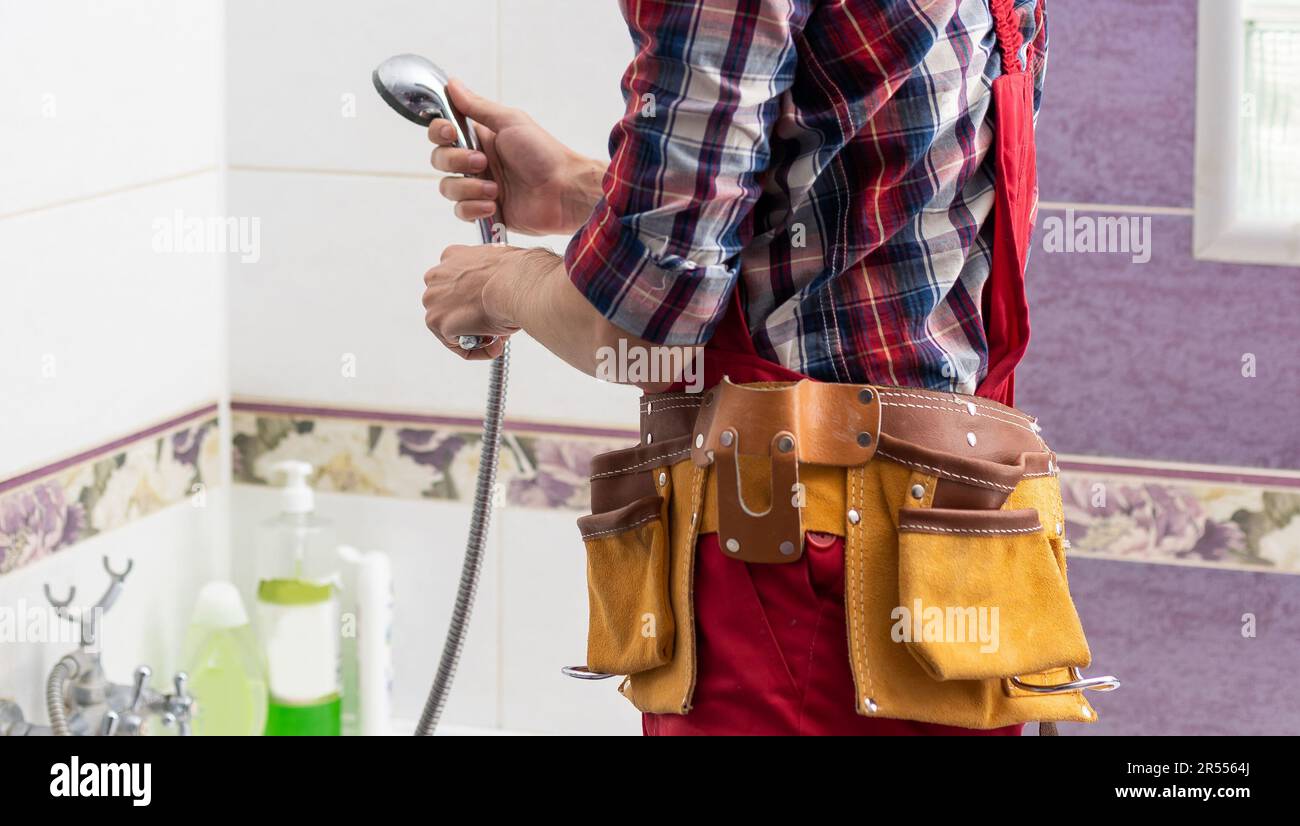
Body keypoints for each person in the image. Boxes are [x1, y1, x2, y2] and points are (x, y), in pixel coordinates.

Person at [420, 0, 1072, 736]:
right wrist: (579, 188)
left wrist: (500, 284)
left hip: (798, 586)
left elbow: (638, 332)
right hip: (965, 555)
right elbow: (885, 207)